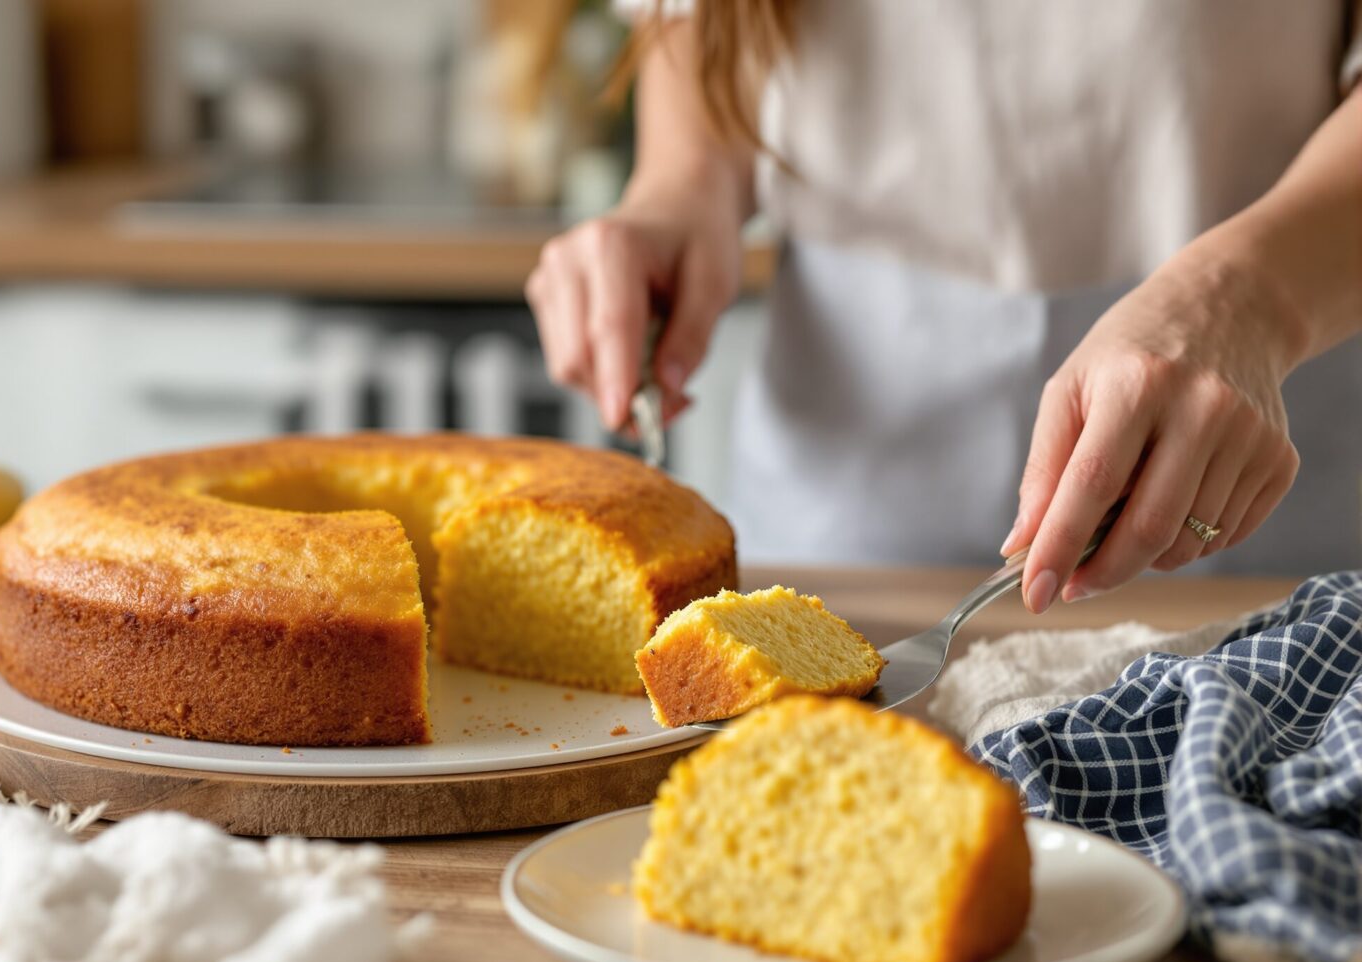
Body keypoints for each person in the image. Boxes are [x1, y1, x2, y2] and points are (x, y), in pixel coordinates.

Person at [527, 0, 1362, 612]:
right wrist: (677, 191)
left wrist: (1244, 300)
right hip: (844, 479)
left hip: (1257, 456)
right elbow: (702, 22)